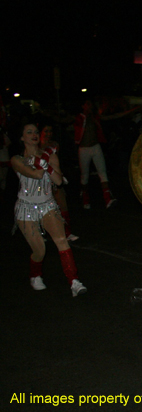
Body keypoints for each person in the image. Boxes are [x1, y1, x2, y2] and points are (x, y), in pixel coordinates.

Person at [11, 122, 87, 297]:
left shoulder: (49, 156)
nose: (34, 135)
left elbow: (59, 181)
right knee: (40, 250)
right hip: (26, 208)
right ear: (22, 137)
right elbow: (36, 174)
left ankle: (74, 282)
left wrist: (44, 161)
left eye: (36, 132)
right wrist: (43, 162)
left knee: (62, 240)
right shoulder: (17, 159)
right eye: (29, 132)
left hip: (47, 204)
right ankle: (35, 274)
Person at [40, 123, 78, 241]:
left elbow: (55, 162)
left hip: (53, 176)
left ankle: (67, 232)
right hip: (40, 179)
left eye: (50, 131)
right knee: (41, 206)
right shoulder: (35, 146)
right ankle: (41, 233)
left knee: (62, 203)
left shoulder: (54, 145)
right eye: (45, 131)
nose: (48, 134)